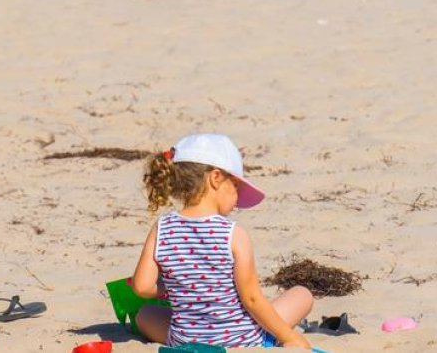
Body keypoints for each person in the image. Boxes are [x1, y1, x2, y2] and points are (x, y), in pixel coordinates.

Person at [130, 133, 313, 349]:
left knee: (145, 314)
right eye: (236, 186)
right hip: (240, 341)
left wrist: (178, 287)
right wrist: (289, 338)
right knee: (303, 294)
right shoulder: (233, 234)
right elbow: (252, 299)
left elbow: (141, 287)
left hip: (184, 340)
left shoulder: (162, 228)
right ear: (215, 178)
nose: (237, 198)